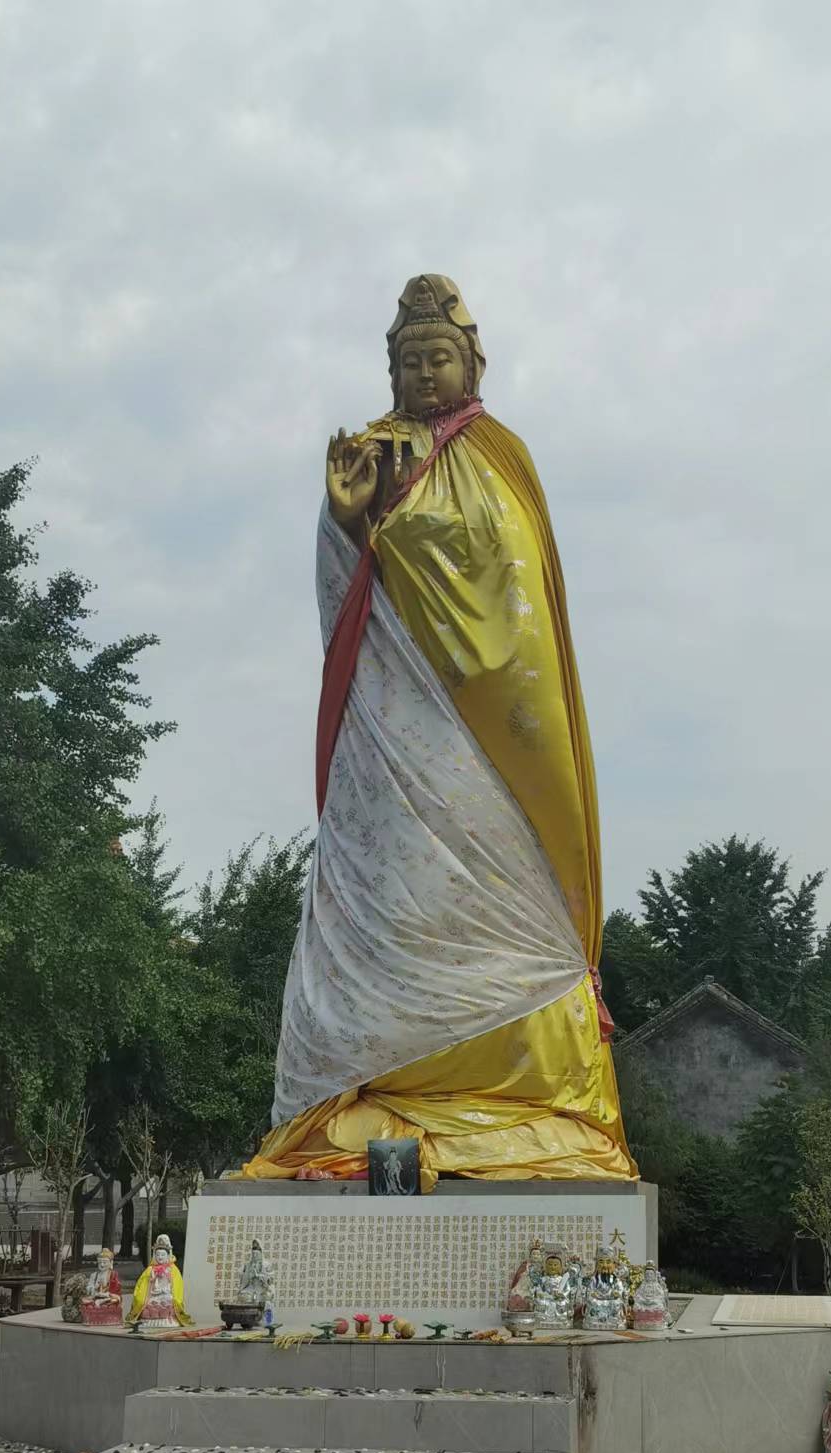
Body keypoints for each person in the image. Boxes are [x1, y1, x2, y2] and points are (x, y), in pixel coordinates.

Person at [244, 276, 637, 1192]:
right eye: (410, 360)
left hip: (487, 729)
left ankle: (523, 1094)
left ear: (472, 364)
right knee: (394, 882)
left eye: (439, 358)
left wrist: (436, 566)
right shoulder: (373, 455)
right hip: (393, 711)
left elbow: (522, 597)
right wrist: (349, 523)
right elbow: (338, 588)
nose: (425, 374)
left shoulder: (503, 460)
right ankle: (376, 1084)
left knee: (500, 872)